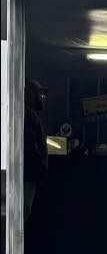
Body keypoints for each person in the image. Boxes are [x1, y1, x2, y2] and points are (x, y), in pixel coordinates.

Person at [24, 79, 49, 220]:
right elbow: (33, 144)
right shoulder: (29, 115)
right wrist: (40, 163)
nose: (43, 98)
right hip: (29, 173)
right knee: (24, 210)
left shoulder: (31, 115)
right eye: (40, 93)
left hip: (30, 173)